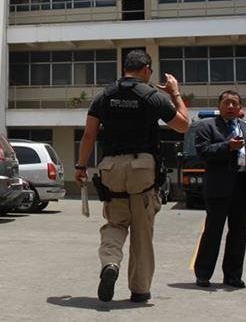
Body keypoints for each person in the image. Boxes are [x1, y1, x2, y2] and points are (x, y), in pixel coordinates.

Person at [75, 49, 189, 303]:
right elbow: (183, 124)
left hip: (111, 169)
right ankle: (139, 289)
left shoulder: (104, 96)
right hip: (142, 170)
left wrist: (81, 166)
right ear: (147, 69)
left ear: (124, 68)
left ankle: (110, 263)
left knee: (115, 224)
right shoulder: (151, 95)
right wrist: (175, 93)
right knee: (141, 231)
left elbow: (89, 135)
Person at [193, 90, 246, 289]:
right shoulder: (206, 127)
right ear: (219, 106)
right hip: (219, 189)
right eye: (227, 103)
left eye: (235, 103)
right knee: (212, 232)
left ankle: (233, 276)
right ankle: (203, 275)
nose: (231, 106)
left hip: (244, 188)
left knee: (239, 234)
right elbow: (203, 152)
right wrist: (228, 147)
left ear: (240, 107)